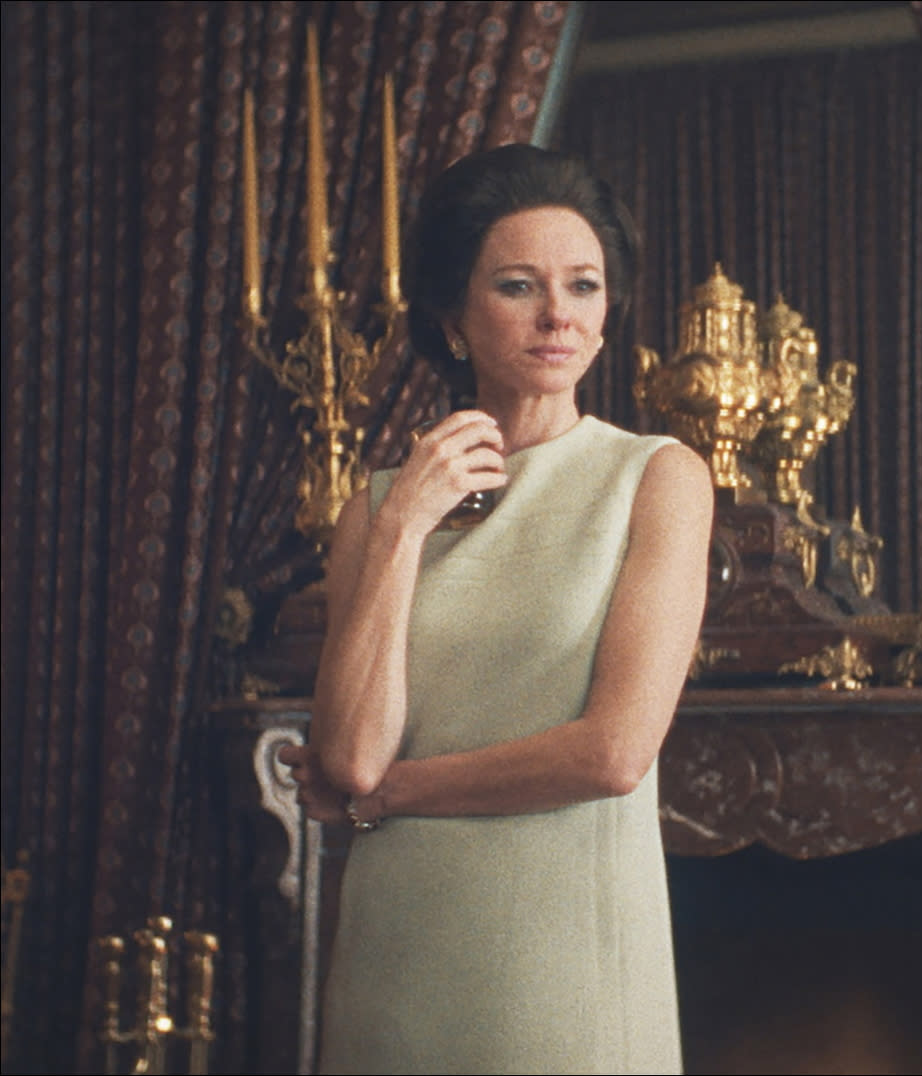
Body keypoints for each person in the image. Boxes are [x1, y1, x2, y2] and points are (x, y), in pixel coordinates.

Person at [280, 143, 714, 1075]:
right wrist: (403, 527)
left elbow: (613, 753)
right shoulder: (381, 504)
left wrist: (395, 796)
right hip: (395, 961)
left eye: (584, 285)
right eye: (518, 286)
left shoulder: (655, 479)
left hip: (565, 971)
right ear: (452, 318)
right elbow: (352, 753)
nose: (559, 313)